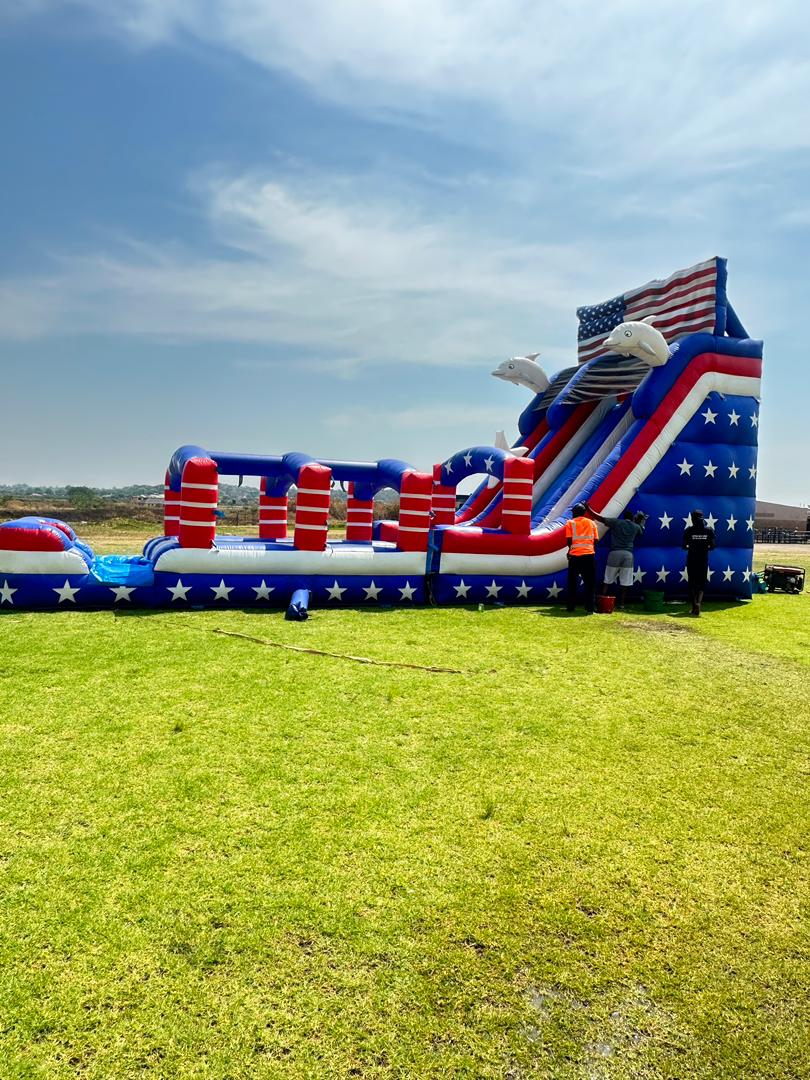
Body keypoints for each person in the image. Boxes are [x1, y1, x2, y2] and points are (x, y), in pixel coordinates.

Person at [586, 507, 647, 608]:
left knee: (608, 579)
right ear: (632, 518)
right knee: (625, 581)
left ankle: (601, 601)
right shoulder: (636, 526)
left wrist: (588, 509)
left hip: (614, 553)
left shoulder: (616, 522)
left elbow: (601, 519)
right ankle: (622, 604)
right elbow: (641, 531)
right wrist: (641, 520)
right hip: (628, 555)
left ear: (624, 517)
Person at [564, 502, 599, 613]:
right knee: (590, 583)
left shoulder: (570, 523)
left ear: (574, 513)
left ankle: (571, 607)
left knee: (572, 582)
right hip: (589, 556)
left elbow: (569, 540)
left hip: (575, 556)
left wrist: (571, 550)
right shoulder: (592, 523)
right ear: (584, 512)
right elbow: (596, 540)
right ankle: (590, 608)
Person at [682, 509, 715, 616]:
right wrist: (704, 548)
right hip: (703, 560)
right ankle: (698, 603)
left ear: (692, 519)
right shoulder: (709, 530)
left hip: (692, 560)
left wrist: (692, 547)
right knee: (701, 583)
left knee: (692, 583)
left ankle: (693, 605)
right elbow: (712, 546)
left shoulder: (688, 530)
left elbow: (683, 546)